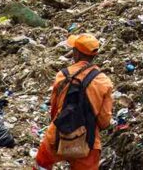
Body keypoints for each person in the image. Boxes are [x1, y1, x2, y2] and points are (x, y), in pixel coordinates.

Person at [33, 34, 113, 170]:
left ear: (76, 53)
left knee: (42, 164)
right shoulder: (104, 82)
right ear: (94, 56)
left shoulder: (62, 76)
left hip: (58, 133)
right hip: (88, 142)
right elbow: (104, 120)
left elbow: (54, 109)